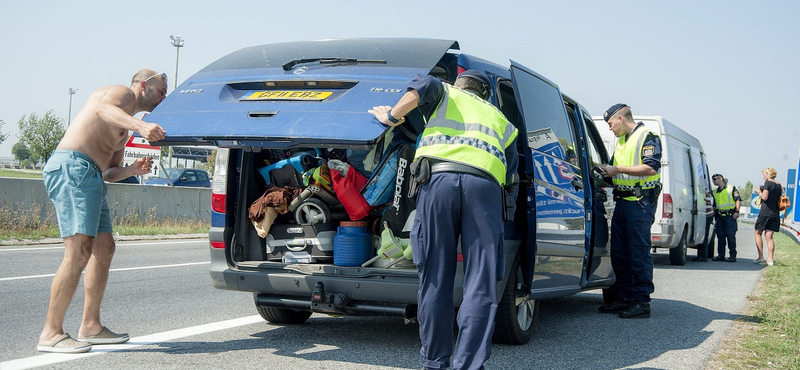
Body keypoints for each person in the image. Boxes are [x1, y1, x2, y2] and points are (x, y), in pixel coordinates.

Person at [369, 70, 518, 370]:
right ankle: (469, 365)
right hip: (485, 189)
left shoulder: (446, 94)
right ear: (486, 95)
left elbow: (422, 84)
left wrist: (393, 117)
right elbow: (511, 176)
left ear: (460, 85)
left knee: (436, 277)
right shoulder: (504, 122)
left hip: (438, 183)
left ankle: (435, 363)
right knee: (481, 283)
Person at [37, 69, 168, 353]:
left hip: (93, 175)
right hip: (73, 166)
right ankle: (50, 333)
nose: (164, 96)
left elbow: (109, 171)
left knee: (105, 247)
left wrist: (132, 170)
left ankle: (91, 326)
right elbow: (102, 110)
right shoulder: (121, 93)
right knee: (79, 250)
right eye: (161, 90)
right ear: (143, 85)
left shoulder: (124, 129)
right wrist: (141, 127)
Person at [597, 104, 662, 319]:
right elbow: (616, 173)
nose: (610, 129)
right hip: (623, 203)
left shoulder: (647, 136)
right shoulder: (622, 141)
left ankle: (641, 301)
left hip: (640, 203)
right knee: (619, 253)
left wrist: (618, 169)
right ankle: (624, 298)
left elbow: (651, 167)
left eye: (610, 124)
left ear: (621, 119)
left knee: (637, 252)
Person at [754, 166, 782, 266]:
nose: (763, 176)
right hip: (775, 213)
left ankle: (761, 256)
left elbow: (765, 197)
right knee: (769, 237)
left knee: (757, 232)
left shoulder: (768, 184)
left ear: (769, 174)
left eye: (764, 174)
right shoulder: (778, 185)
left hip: (765, 213)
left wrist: (759, 191)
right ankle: (770, 259)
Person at [710, 175, 742, 262]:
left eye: (714, 179)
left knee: (730, 236)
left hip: (730, 216)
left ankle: (732, 256)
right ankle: (721, 255)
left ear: (721, 179)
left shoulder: (731, 188)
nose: (713, 181)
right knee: (720, 237)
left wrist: (737, 211)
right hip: (719, 217)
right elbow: (714, 205)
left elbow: (738, 200)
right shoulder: (715, 192)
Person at [692, 183, 715, 262]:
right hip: (704, 214)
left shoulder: (703, 189)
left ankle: (703, 256)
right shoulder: (703, 188)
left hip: (706, 214)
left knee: (704, 235)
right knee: (703, 234)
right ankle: (701, 255)